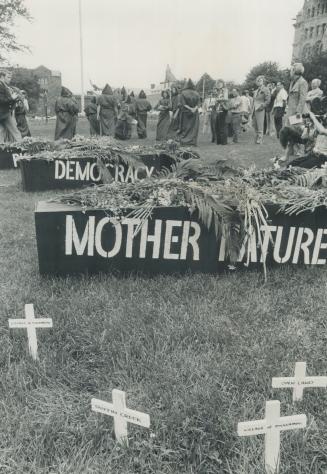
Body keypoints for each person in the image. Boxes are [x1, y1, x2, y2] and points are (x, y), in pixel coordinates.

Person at [0, 69, 21, 143]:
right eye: (8, 77)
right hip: (4, 114)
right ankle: (23, 148)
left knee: (1, 132)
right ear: (2, 76)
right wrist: (12, 98)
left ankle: (1, 151)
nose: (10, 79)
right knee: (15, 132)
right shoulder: (1, 85)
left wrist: (14, 99)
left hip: (2, 113)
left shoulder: (4, 86)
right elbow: (1, 100)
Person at [178, 79, 200, 146]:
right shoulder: (197, 93)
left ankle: (184, 141)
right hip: (194, 113)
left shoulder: (183, 93)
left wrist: (190, 109)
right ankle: (192, 142)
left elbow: (183, 104)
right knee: (193, 127)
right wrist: (194, 109)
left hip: (186, 112)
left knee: (185, 127)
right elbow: (199, 104)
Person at [252, 75, 271, 144]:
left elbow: (268, 100)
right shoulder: (256, 91)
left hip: (260, 108)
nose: (258, 82)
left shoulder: (266, 89)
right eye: (257, 81)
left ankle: (260, 139)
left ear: (263, 81)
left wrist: (262, 106)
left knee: (260, 124)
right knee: (254, 124)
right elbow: (254, 100)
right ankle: (256, 138)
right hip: (254, 109)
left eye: (260, 80)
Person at [214, 80, 229, 145]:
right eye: (218, 83)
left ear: (223, 84)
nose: (219, 84)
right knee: (217, 126)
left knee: (222, 126)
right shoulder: (218, 91)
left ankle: (224, 142)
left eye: (220, 83)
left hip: (223, 109)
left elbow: (226, 98)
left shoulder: (225, 90)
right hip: (218, 109)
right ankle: (219, 141)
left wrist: (218, 100)